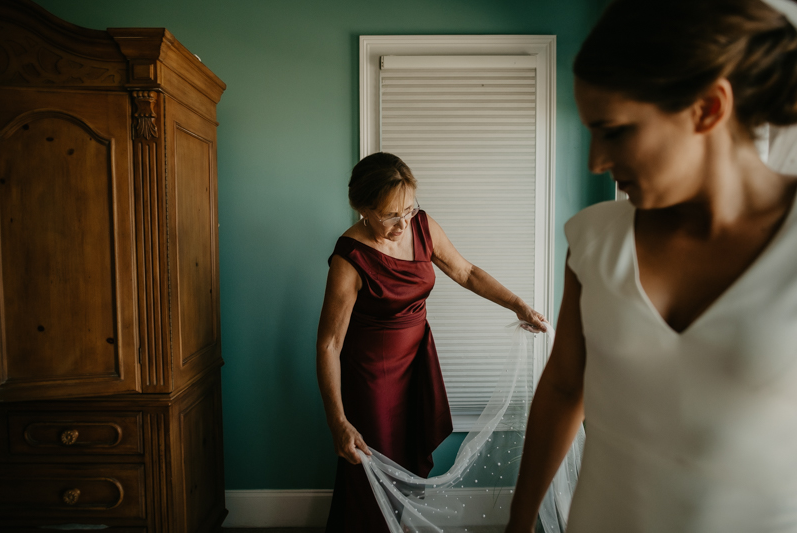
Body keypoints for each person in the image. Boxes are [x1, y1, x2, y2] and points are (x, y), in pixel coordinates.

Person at [506, 0, 797, 531]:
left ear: (707, 108)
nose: (596, 159)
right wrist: (519, 520)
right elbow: (566, 387)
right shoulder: (591, 242)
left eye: (614, 131)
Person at [317, 152, 547, 533]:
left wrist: (518, 305)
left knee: (406, 464)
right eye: (390, 215)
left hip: (417, 362)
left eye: (408, 209)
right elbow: (328, 345)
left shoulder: (422, 226)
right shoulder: (350, 258)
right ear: (362, 209)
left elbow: (467, 272)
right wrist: (337, 421)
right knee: (368, 467)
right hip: (371, 377)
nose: (402, 223)